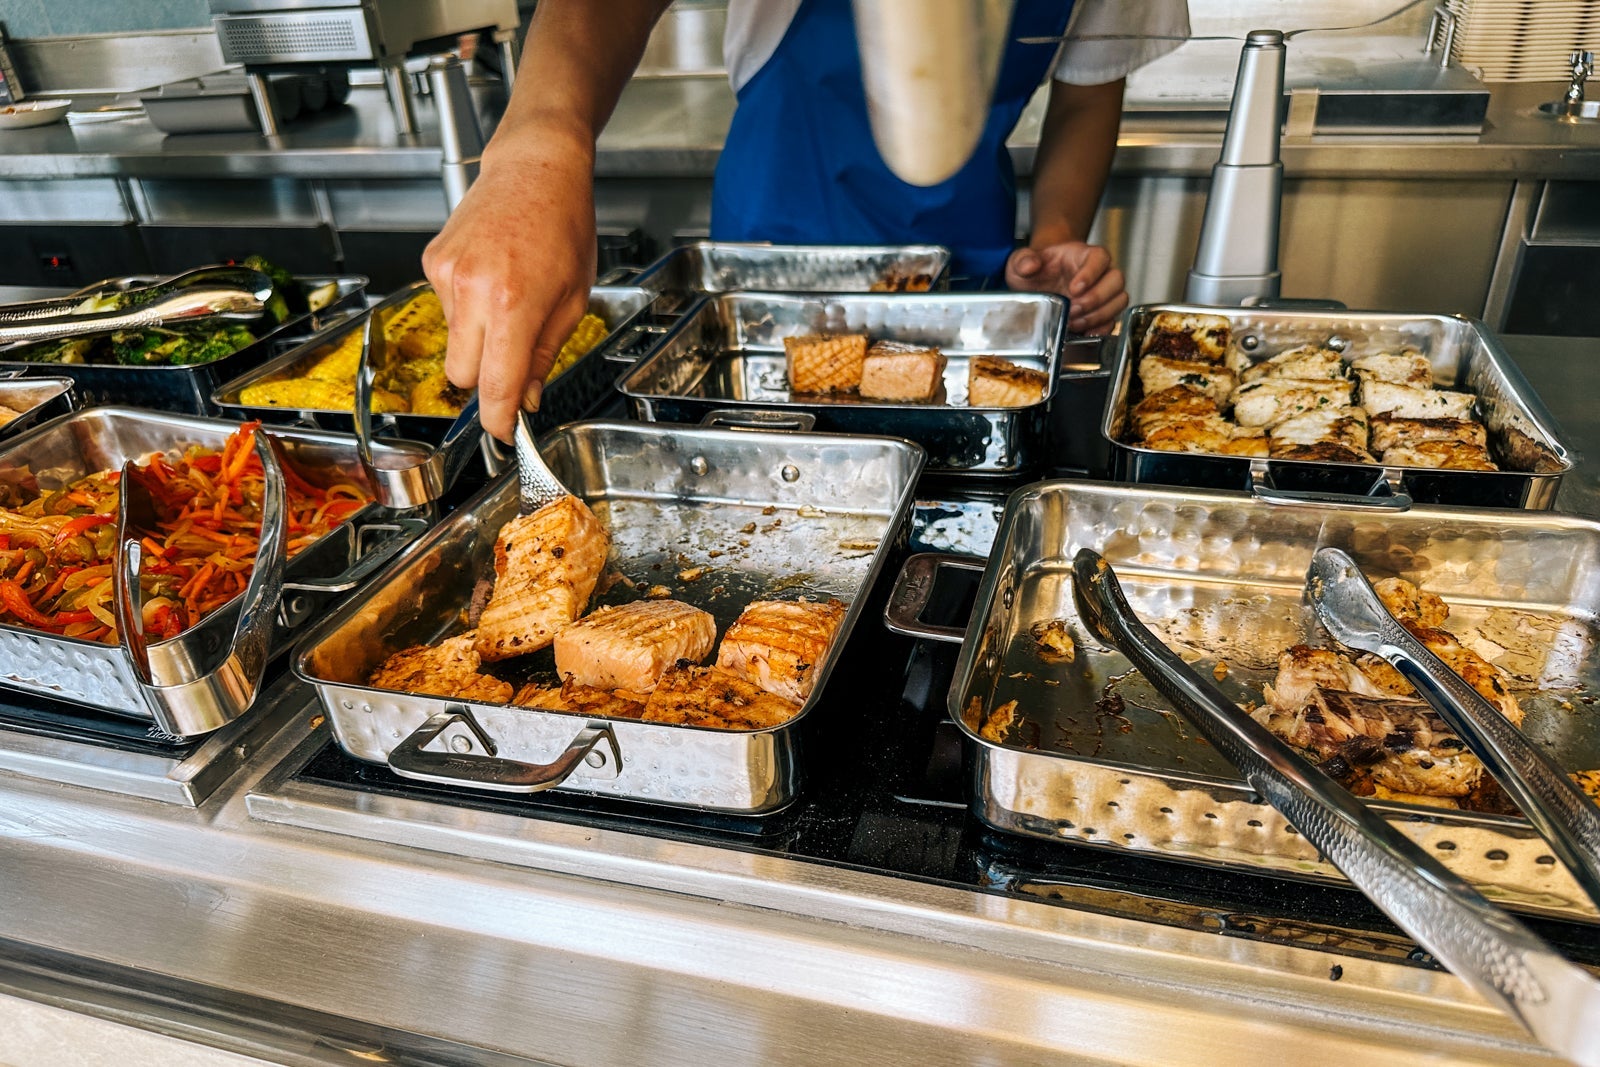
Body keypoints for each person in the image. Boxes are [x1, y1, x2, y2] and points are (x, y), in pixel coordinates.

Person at [424, 0, 1189, 440]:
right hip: (775, 237)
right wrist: (539, 148)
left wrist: (1055, 236)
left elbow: (1089, 89)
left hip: (973, 266)